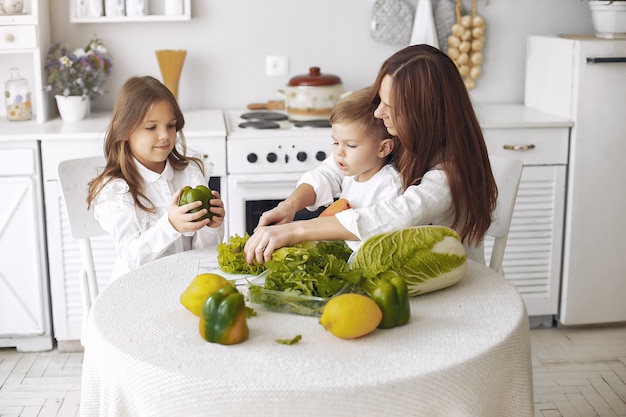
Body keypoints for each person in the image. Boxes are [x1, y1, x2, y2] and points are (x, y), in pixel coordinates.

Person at [244, 44, 497, 265]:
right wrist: (290, 206)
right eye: (380, 102)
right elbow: (333, 168)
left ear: (425, 113)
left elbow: (395, 217)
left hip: (455, 282)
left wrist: (296, 230)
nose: (378, 113)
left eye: (391, 107)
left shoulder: (450, 172)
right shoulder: (402, 136)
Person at [87, 75, 225, 280]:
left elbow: (205, 251)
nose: (165, 135)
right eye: (151, 127)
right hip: (138, 288)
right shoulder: (116, 190)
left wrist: (213, 226)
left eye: (171, 125)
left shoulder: (189, 173)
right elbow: (131, 258)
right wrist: (170, 226)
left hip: (186, 283)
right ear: (123, 130)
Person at [283, 86, 402, 251]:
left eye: (351, 145)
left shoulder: (389, 186)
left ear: (383, 149)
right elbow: (323, 176)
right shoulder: (354, 173)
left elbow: (383, 240)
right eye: (336, 142)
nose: (339, 152)